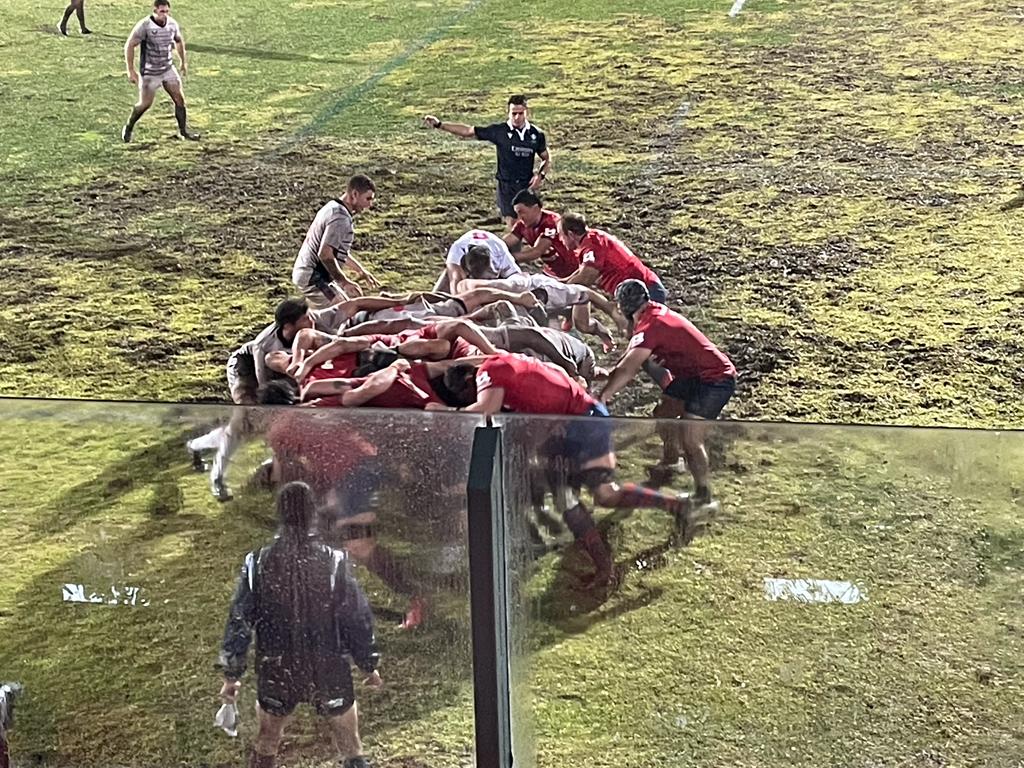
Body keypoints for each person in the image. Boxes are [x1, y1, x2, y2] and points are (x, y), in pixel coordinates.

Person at [443, 354, 703, 586]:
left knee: (604, 495)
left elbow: (486, 410)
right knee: (567, 497)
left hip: (584, 422)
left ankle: (615, 558)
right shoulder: (511, 363)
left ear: (470, 379)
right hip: (576, 420)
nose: (476, 398)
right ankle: (607, 555)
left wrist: (446, 412)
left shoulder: (490, 370)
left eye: (471, 395)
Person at [218, 482, 382, 768]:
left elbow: (240, 620)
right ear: (313, 514)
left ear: (280, 515)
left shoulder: (257, 563)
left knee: (267, 741)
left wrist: (232, 674)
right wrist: (368, 663)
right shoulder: (334, 562)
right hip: (328, 666)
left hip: (277, 667)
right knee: (351, 748)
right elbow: (356, 617)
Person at [599, 280, 737, 505]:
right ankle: (672, 460)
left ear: (624, 308)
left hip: (714, 380)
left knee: (691, 440)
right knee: (664, 413)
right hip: (693, 375)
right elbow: (629, 361)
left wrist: (603, 396)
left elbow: (628, 368)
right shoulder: (651, 316)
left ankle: (704, 496)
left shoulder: (651, 326)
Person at [423, 95, 551, 225]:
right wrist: (440, 125)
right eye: (513, 114)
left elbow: (546, 158)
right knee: (514, 224)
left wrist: (540, 176)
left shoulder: (536, 134)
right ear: (508, 113)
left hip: (527, 185)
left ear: (527, 112)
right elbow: (468, 131)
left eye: (520, 113)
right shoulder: (499, 131)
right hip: (506, 186)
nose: (517, 117)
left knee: (533, 224)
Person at [292, 175, 381, 308]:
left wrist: (360, 271)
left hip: (314, 275)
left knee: (346, 306)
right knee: (342, 313)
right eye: (368, 199)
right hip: (314, 277)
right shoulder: (340, 218)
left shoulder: (332, 207)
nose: (370, 205)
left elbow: (335, 251)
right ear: (354, 194)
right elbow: (325, 255)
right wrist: (344, 281)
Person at [122, 0, 198, 142]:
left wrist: (183, 62)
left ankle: (183, 131)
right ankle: (129, 126)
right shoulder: (145, 26)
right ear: (155, 11)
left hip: (167, 68)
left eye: (167, 11)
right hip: (150, 72)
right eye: (162, 11)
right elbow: (130, 45)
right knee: (145, 104)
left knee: (179, 99)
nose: (165, 15)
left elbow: (179, 41)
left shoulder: (172, 24)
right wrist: (131, 70)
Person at [558, 212, 667, 303]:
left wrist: (560, 291)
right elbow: (583, 271)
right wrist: (561, 283)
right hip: (638, 291)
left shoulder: (592, 244)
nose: (560, 240)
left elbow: (587, 277)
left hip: (645, 293)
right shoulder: (591, 239)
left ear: (571, 234)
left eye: (561, 235)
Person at [503, 190, 579, 279]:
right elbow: (508, 240)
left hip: (574, 270)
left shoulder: (551, 222)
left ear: (535, 208)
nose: (519, 217)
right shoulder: (522, 225)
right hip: (552, 272)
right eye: (517, 213)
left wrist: (506, 258)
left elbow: (537, 252)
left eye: (521, 212)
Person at [434, 232, 522, 293]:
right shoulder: (457, 252)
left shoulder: (501, 254)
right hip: (463, 261)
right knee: (447, 281)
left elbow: (519, 280)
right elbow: (455, 289)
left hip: (494, 258)